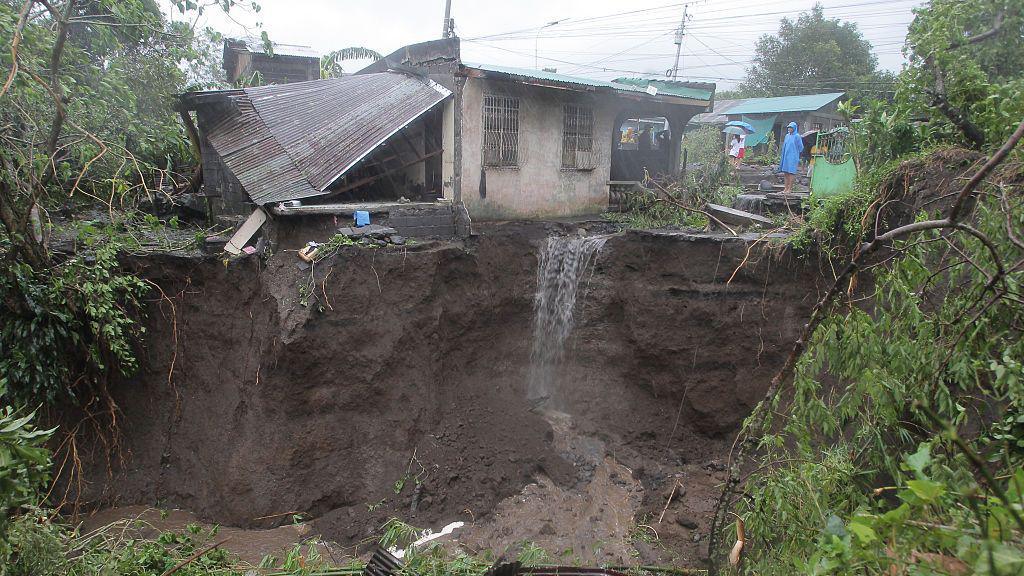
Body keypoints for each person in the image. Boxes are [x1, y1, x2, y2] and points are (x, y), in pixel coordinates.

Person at [779, 121, 803, 193]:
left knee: (791, 172)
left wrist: (795, 152)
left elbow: (801, 147)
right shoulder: (787, 136)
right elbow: (785, 146)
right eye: (788, 127)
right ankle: (785, 188)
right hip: (786, 156)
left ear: (794, 128)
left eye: (791, 127)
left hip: (793, 157)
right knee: (786, 172)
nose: (789, 129)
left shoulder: (797, 136)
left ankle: (790, 189)